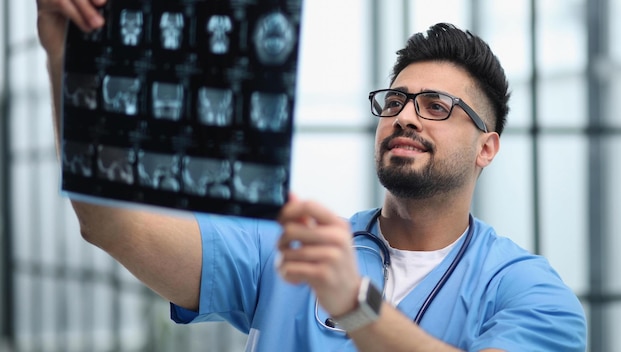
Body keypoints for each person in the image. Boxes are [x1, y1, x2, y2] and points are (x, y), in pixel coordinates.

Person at [37, 1, 587, 351]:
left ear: (486, 147)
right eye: (396, 99)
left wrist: (353, 303)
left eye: (436, 105)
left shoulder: (529, 294)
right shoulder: (291, 249)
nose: (405, 115)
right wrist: (66, 60)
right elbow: (110, 226)